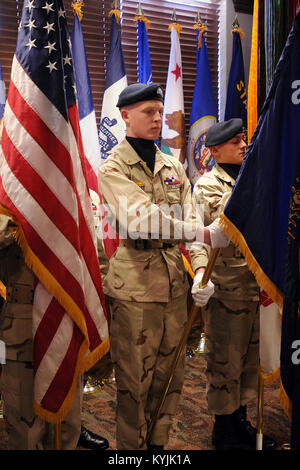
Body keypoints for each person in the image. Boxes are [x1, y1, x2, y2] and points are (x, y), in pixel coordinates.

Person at [97, 82, 230, 450]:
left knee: (170, 380)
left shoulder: (172, 165)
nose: (158, 119)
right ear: (125, 116)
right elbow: (142, 219)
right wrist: (202, 233)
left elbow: (192, 219)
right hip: (135, 288)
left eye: (160, 111)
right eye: (148, 113)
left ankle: (158, 449)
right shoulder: (112, 167)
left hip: (174, 285)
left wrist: (201, 270)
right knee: (134, 385)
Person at [0, 122, 108, 451]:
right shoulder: (9, 177)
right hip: (18, 314)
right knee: (23, 418)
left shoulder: (70, 177)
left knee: (68, 411)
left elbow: (92, 244)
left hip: (67, 307)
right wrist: (25, 217)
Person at [190, 118, 278, 450]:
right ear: (214, 151)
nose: (244, 145)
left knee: (250, 361)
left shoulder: (250, 181)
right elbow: (203, 233)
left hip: (256, 287)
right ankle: (223, 429)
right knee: (225, 362)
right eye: (235, 141)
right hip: (226, 289)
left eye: (244, 139)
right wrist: (200, 274)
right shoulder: (208, 186)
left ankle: (241, 420)